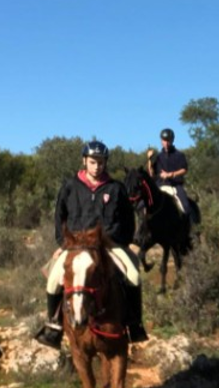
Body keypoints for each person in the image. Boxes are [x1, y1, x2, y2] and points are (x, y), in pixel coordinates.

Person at [35, 139, 149, 349]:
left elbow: (127, 219)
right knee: (53, 280)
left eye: (101, 162)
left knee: (133, 275)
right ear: (84, 161)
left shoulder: (116, 188)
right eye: (93, 162)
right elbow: (59, 216)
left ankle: (134, 325)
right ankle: (54, 327)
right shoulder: (70, 186)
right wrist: (63, 243)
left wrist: (124, 242)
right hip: (76, 246)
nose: (97, 167)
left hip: (109, 245)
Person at [146, 127, 193, 220]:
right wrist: (149, 160)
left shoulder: (179, 155)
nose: (166, 143)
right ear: (161, 140)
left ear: (172, 140)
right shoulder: (158, 157)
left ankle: (189, 229)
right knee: (146, 205)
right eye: (164, 141)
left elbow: (184, 169)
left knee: (186, 206)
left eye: (168, 141)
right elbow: (151, 174)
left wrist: (171, 174)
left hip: (175, 185)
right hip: (160, 185)